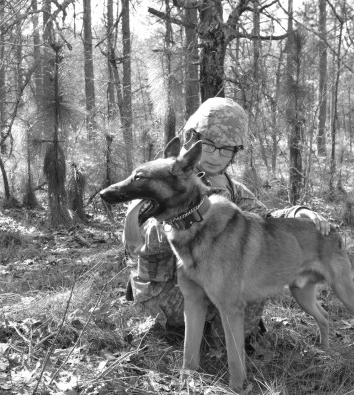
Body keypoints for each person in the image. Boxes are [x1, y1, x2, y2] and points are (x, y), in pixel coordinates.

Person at [123, 97, 330, 340]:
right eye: (208, 145)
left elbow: (266, 219)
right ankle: (196, 343)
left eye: (226, 149)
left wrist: (299, 213)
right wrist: (186, 219)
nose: (216, 156)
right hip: (162, 295)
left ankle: (221, 346)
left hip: (208, 283)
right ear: (191, 140)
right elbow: (137, 239)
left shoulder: (230, 188)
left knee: (251, 285)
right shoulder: (161, 177)